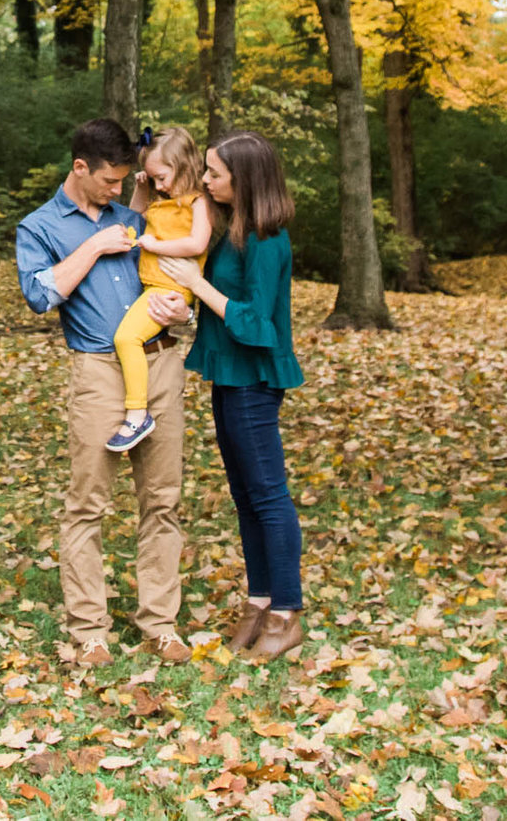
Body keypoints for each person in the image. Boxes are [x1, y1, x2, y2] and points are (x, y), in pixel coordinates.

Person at [14, 117, 194, 667]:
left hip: (161, 364)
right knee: (87, 504)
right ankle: (89, 630)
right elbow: (41, 297)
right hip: (97, 373)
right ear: (79, 167)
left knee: (162, 501)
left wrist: (182, 312)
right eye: (109, 181)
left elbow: (172, 283)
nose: (119, 191)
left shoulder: (133, 219)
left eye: (124, 181)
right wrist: (93, 247)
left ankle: (160, 624)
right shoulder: (39, 226)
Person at [150, 130, 307, 663]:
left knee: (267, 495)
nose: (207, 179)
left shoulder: (267, 239)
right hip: (227, 376)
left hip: (254, 382)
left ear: (246, 179)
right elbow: (221, 307)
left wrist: (198, 285)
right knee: (245, 497)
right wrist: (188, 309)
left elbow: (258, 324)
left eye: (216, 172)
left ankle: (287, 612)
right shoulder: (234, 232)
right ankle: (259, 603)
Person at [106, 126, 213, 454]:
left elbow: (197, 243)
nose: (159, 185)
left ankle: (137, 413)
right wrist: (142, 188)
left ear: (186, 166)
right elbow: (134, 215)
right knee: (129, 339)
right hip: (150, 286)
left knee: (126, 338)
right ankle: (137, 410)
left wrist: (157, 244)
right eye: (153, 179)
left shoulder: (198, 203)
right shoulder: (161, 200)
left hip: (169, 289)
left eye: (163, 177)